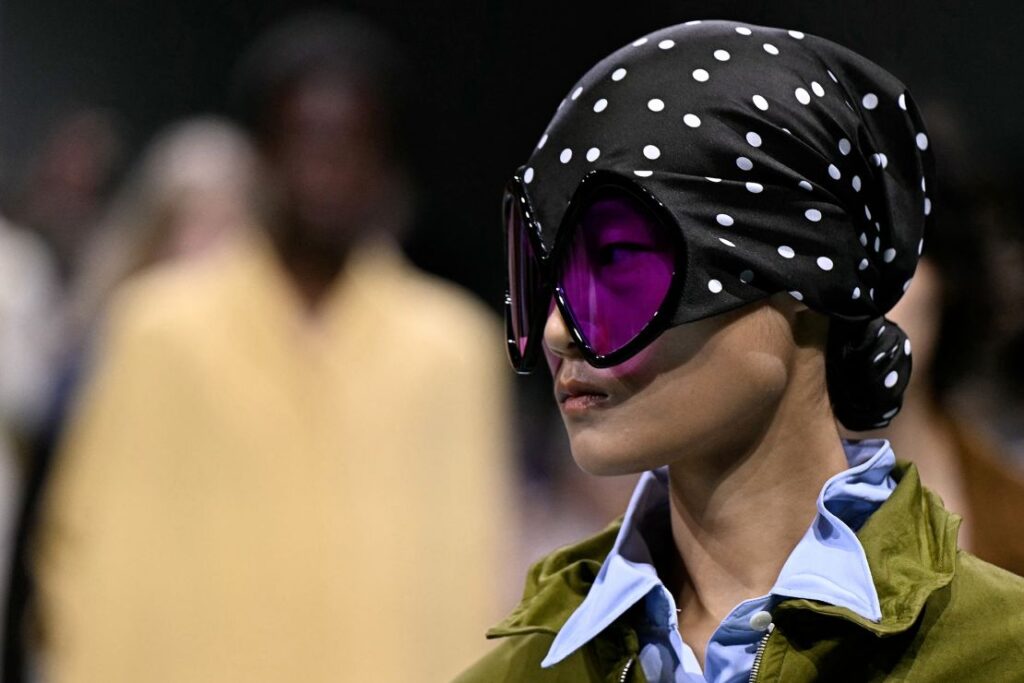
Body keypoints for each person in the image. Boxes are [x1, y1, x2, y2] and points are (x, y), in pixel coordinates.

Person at [458, 20, 1024, 682]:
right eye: (544, 273)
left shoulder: (999, 653)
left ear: (808, 269)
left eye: (619, 259)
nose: (558, 330)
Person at [30, 12, 513, 683]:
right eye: (303, 139)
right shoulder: (160, 331)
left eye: (353, 143)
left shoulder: (450, 349)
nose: (326, 168)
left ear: (388, 164)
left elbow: (470, 570)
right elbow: (93, 547)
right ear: (259, 155)